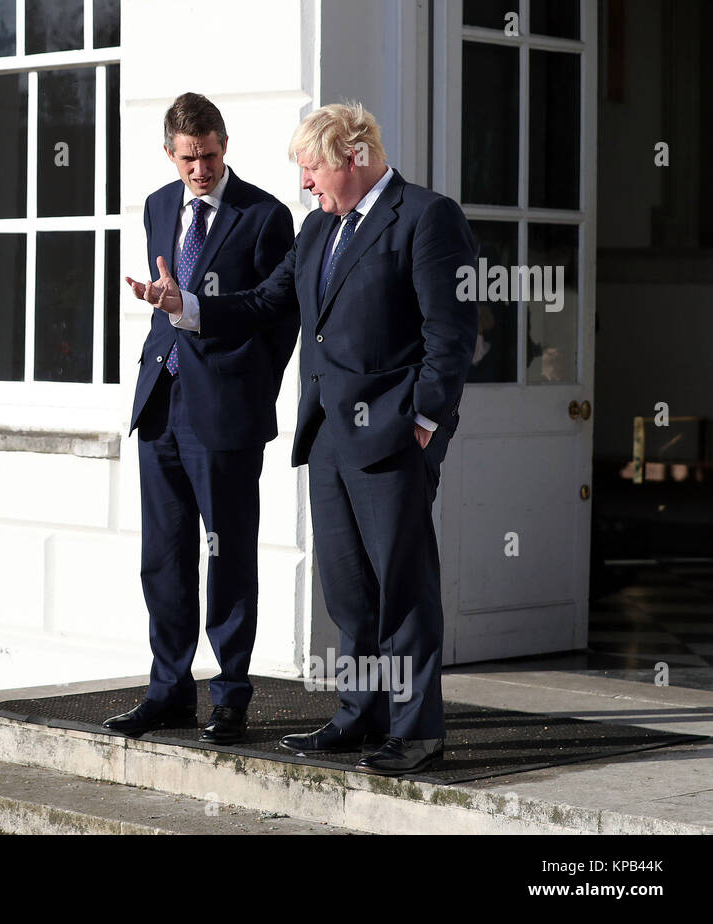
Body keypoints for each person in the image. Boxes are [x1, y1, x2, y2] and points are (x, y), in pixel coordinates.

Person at [131, 102, 478, 775]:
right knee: (348, 589)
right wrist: (186, 308)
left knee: (402, 586)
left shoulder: (427, 217)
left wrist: (425, 422)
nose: (307, 185)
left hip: (393, 437)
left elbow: (452, 334)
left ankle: (416, 730)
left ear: (354, 156)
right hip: (327, 437)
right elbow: (265, 301)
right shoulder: (320, 230)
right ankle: (358, 714)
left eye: (313, 169)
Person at [103, 93, 297, 746]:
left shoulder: (265, 215)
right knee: (164, 556)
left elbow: (278, 312)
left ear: (224, 145)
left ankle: (233, 696)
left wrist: (251, 393)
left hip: (226, 415)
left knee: (230, 557)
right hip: (160, 401)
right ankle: (168, 690)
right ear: (170, 153)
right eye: (189, 159)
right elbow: (169, 298)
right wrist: (166, 302)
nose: (201, 170)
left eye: (210, 156)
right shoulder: (159, 206)